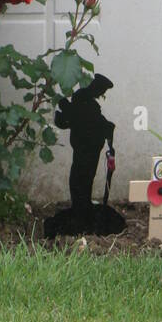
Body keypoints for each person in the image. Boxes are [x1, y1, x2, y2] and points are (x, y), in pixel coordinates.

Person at [43, 74, 126, 237]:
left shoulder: (88, 102)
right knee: (80, 178)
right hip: (85, 149)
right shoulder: (84, 101)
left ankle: (83, 206)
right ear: (96, 87)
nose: (102, 94)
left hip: (90, 149)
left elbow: (96, 121)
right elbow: (91, 121)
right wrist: (105, 126)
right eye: (102, 90)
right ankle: (80, 209)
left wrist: (106, 126)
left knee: (85, 178)